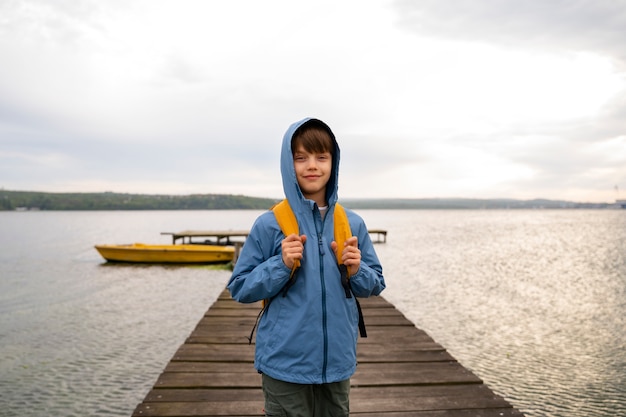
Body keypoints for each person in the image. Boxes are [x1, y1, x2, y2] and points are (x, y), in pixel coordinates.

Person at [228, 117, 385, 417]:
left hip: (337, 363)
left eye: (321, 157)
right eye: (301, 158)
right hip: (284, 364)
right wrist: (281, 264)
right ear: (289, 165)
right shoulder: (269, 224)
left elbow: (375, 283)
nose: (312, 165)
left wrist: (356, 270)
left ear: (333, 162)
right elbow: (240, 287)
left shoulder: (352, 224)